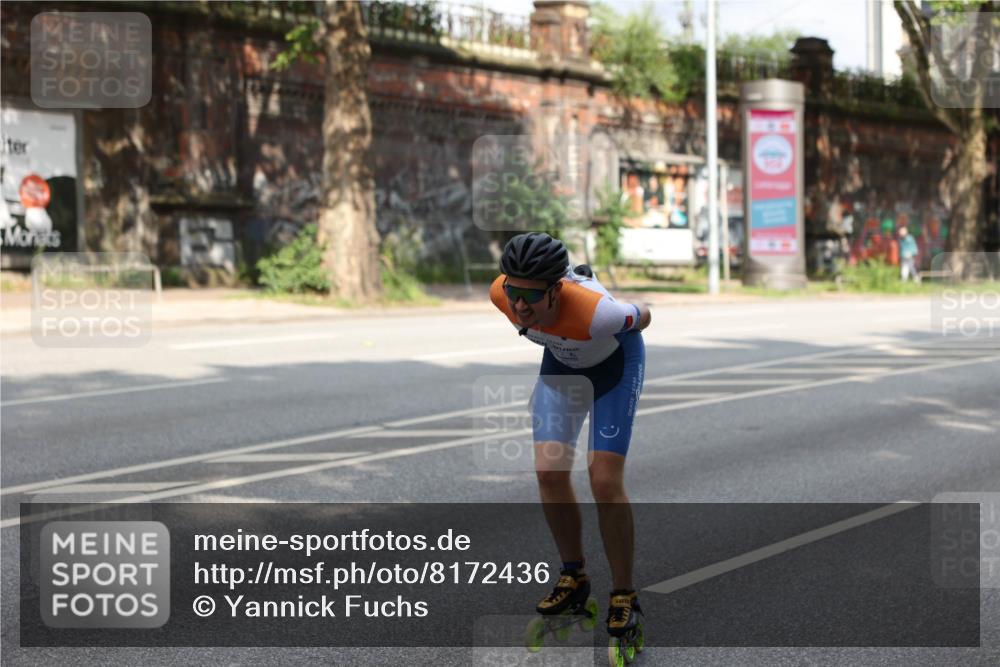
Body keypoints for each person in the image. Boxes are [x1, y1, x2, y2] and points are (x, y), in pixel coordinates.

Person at [489, 232, 651, 639]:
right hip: (561, 366)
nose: (520, 305)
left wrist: (627, 309)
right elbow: (521, 302)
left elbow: (644, 315)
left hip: (615, 367)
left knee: (604, 479)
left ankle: (624, 594)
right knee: (548, 472)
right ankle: (573, 577)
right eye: (514, 291)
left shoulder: (599, 314)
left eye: (531, 295)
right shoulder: (500, 294)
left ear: (558, 290)